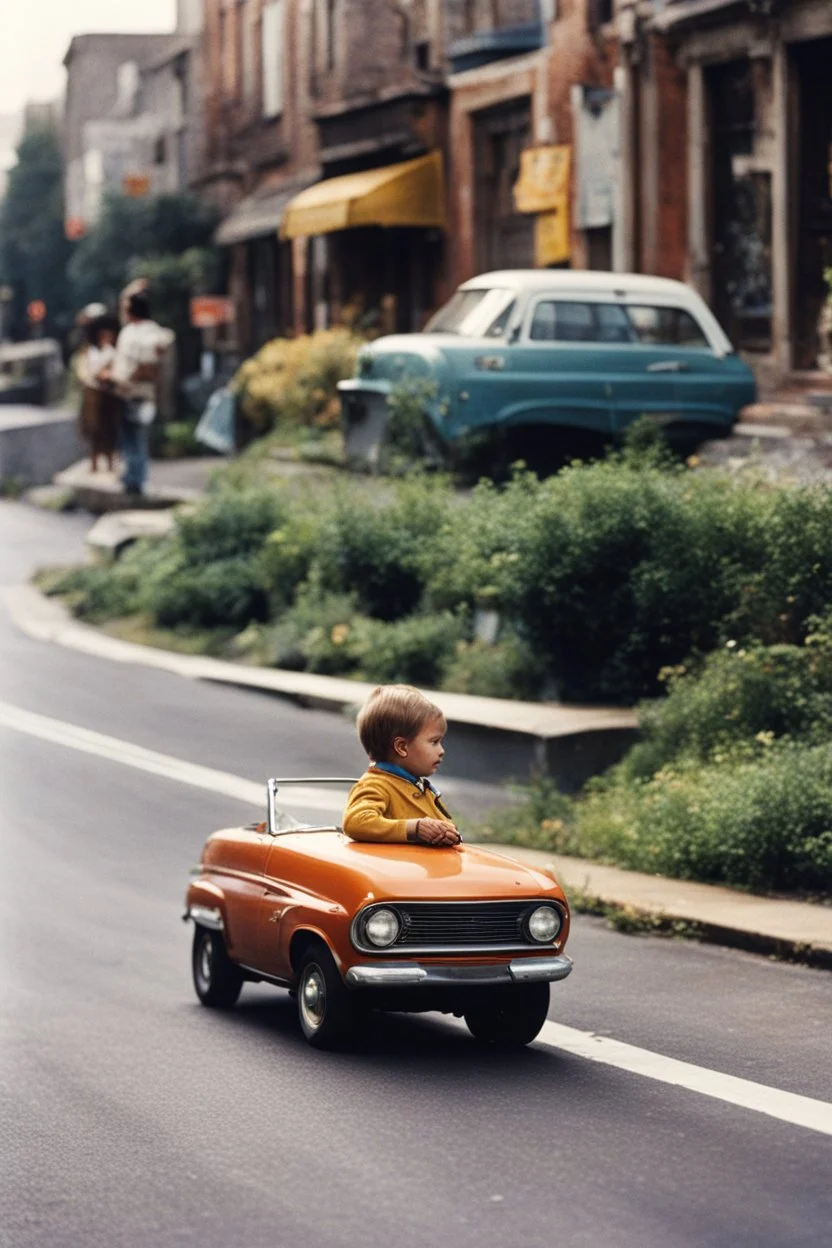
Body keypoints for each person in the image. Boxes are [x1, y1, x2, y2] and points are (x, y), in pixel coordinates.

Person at [342, 685, 462, 847]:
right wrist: (415, 829)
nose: (441, 751)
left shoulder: (417, 785)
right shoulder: (376, 784)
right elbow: (356, 822)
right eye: (434, 742)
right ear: (402, 747)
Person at [107, 292, 174, 497]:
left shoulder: (149, 333)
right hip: (125, 391)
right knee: (129, 437)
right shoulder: (131, 331)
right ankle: (132, 476)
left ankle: (135, 480)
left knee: (134, 436)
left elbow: (148, 361)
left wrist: (129, 379)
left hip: (137, 391)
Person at [76, 315, 121, 474]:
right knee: (93, 431)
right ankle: (93, 464)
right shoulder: (88, 352)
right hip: (92, 395)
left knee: (109, 430)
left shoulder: (113, 352)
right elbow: (83, 373)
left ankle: (110, 463)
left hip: (108, 395)